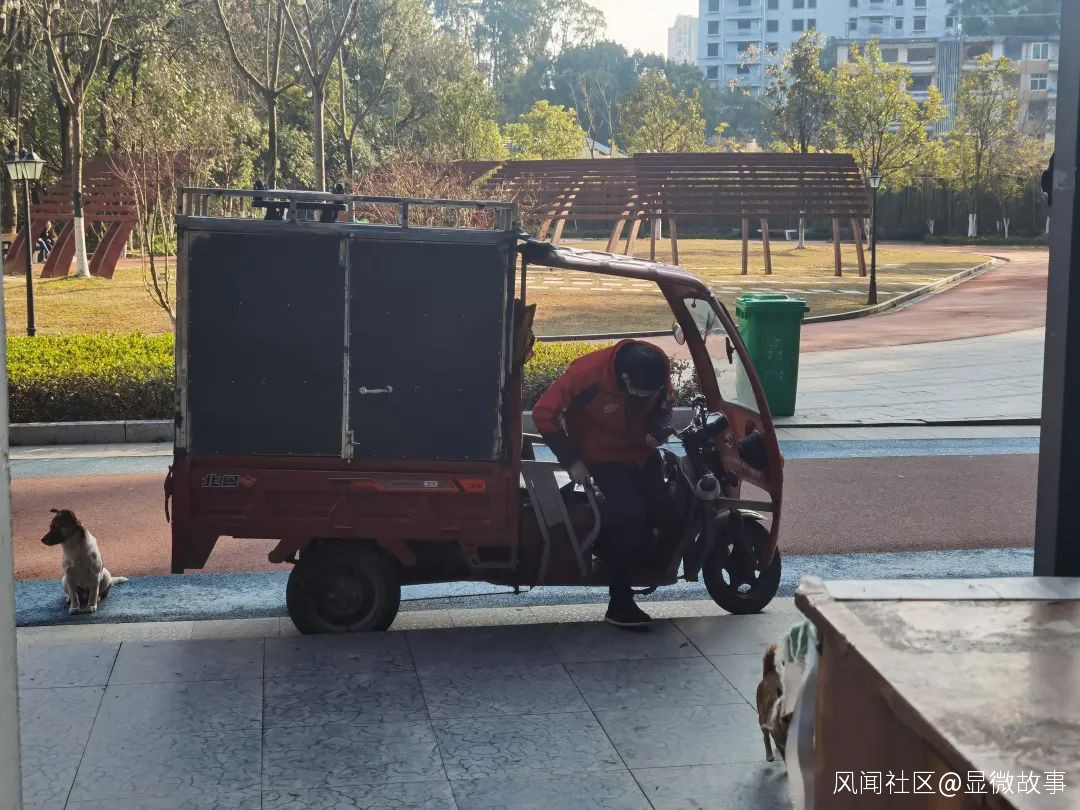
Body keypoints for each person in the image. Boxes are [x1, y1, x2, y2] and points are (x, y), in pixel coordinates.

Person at [533, 340, 675, 628]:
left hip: (641, 452)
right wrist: (572, 460)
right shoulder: (587, 373)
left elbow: (664, 405)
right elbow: (543, 413)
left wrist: (659, 428)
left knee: (665, 510)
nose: (647, 396)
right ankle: (619, 602)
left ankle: (633, 560)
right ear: (625, 379)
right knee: (629, 517)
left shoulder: (655, 366)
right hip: (602, 457)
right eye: (642, 392)